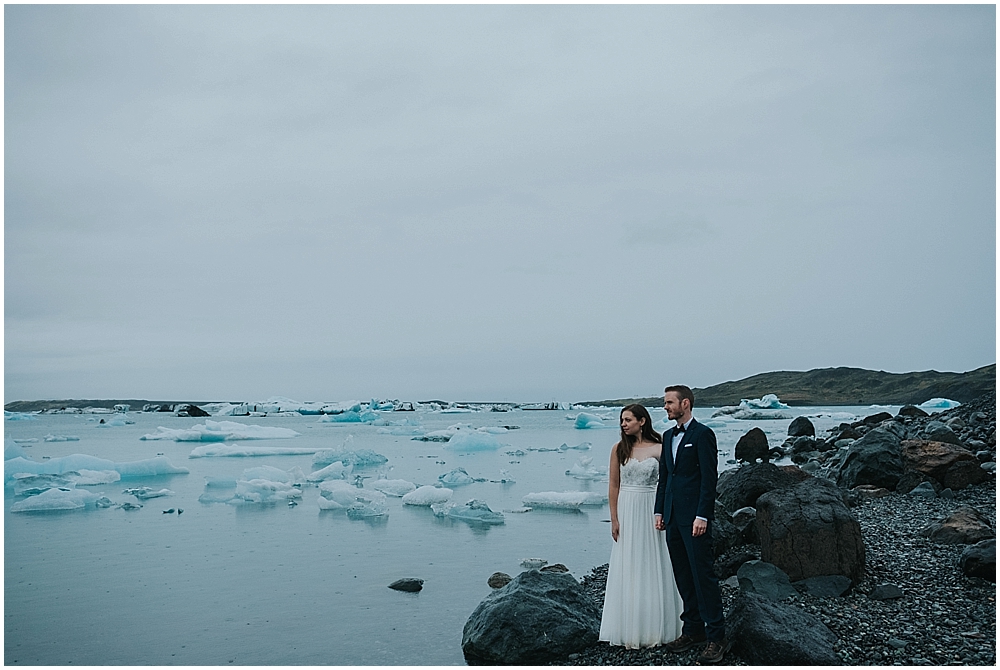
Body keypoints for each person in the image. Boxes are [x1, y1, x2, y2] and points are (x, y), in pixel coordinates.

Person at [654, 385, 729, 664]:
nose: (666, 407)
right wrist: (659, 510)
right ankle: (693, 630)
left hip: (694, 520)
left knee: (703, 577)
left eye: (669, 402)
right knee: (683, 576)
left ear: (685, 403)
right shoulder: (668, 436)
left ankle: (717, 637)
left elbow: (709, 480)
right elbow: (666, 478)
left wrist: (703, 516)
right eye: (665, 403)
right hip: (672, 518)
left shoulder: (703, 434)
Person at [599, 404, 684, 649]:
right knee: (630, 562)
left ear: (642, 421)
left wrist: (667, 512)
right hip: (627, 507)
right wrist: (614, 518)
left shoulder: (659, 448)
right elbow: (613, 486)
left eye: (628, 419)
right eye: (621, 420)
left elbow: (668, 483)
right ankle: (628, 625)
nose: (623, 424)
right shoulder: (618, 450)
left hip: (651, 506)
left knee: (656, 560)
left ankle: (662, 624)